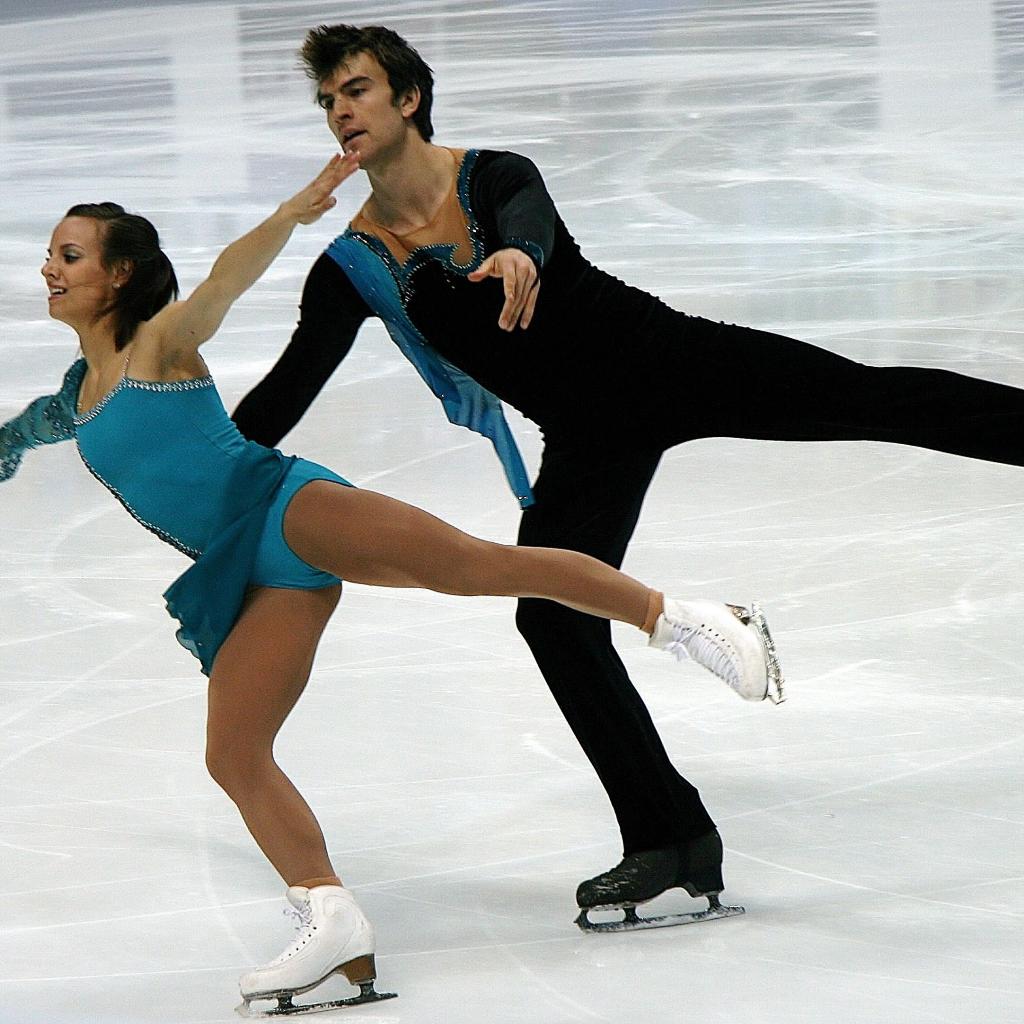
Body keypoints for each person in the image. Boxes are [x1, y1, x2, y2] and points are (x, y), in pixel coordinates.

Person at [229, 21, 1024, 928]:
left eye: (357, 90)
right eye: (328, 100)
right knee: (553, 621)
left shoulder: (494, 176)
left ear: (408, 98)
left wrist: (521, 253)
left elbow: (528, 226)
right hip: (587, 436)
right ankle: (669, 839)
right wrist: (202, 455)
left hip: (666, 360)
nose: (340, 111)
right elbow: (288, 388)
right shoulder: (355, 267)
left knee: (870, 397)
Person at [0, 158, 777, 1014]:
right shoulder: (79, 394)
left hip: (288, 510)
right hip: (248, 572)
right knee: (234, 754)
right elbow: (32, 427)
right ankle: (332, 923)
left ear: (119, 274)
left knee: (481, 567)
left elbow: (223, 283)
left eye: (70, 255)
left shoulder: (160, 346)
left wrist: (288, 216)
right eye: (52, 255)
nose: (50, 269)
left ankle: (691, 621)